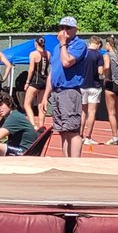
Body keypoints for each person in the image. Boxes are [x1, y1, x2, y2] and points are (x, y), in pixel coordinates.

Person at [46, 15, 88, 158]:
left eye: (68, 28)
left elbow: (67, 62)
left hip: (69, 92)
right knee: (62, 131)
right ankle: (66, 161)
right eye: (62, 28)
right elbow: (52, 72)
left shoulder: (79, 45)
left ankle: (75, 162)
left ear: (75, 30)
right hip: (57, 92)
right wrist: (45, 96)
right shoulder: (57, 48)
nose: (64, 31)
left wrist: (63, 44)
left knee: (72, 130)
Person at [80, 36, 106, 146]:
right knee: (92, 112)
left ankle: (79, 135)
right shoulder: (99, 55)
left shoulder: (82, 53)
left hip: (82, 85)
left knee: (83, 111)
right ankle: (88, 137)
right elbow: (100, 72)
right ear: (99, 45)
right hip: (94, 86)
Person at [23, 37, 51, 130]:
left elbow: (31, 69)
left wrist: (27, 82)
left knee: (27, 104)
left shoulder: (33, 54)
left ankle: (33, 124)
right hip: (44, 81)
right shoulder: (48, 54)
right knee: (41, 104)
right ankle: (41, 124)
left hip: (35, 82)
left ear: (36, 43)